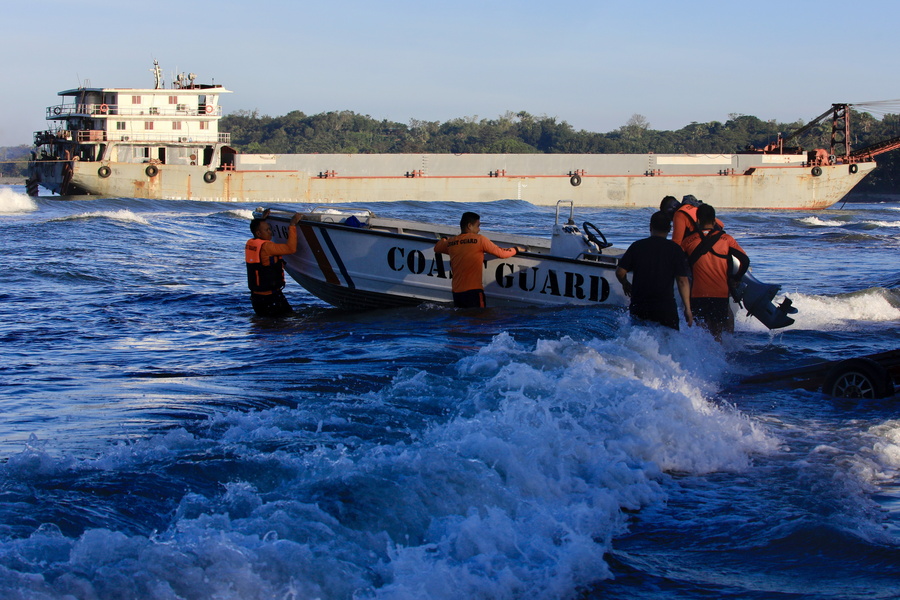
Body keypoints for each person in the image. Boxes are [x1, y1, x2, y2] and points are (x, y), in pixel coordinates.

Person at [681, 203, 749, 339]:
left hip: (698, 295)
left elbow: (678, 265)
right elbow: (745, 260)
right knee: (717, 333)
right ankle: (720, 357)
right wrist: (736, 278)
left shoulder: (688, 241)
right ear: (714, 220)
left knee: (701, 332)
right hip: (720, 295)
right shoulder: (727, 239)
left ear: (698, 221)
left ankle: (702, 358)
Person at [615, 211, 693, 330]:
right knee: (669, 341)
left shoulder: (637, 246)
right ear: (669, 229)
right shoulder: (675, 250)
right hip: (665, 307)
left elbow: (620, 272)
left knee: (639, 342)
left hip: (640, 305)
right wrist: (687, 308)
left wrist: (625, 283)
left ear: (650, 227)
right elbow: (682, 281)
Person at [433, 211, 524, 308]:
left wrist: (444, 238)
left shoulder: (451, 242)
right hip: (474, 291)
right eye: (478, 226)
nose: (479, 229)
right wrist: (516, 249)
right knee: (479, 320)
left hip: (457, 292)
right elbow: (502, 253)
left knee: (461, 319)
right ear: (469, 226)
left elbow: (437, 248)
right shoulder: (479, 240)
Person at [245, 209, 303, 317]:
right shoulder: (267, 247)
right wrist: (292, 225)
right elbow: (291, 248)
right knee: (287, 322)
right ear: (258, 233)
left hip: (256, 298)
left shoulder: (250, 244)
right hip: (270, 298)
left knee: (265, 325)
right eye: (267, 230)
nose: (270, 232)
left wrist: (262, 219)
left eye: (269, 229)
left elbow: (257, 229)